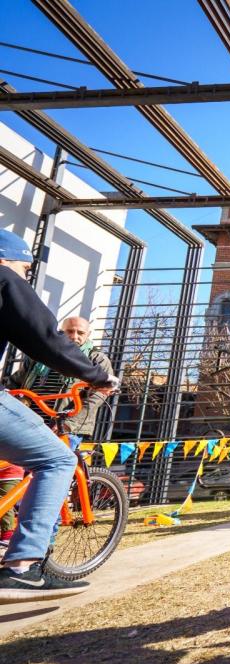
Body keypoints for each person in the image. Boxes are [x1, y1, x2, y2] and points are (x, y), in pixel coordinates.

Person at [0, 229, 118, 601]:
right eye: (24, 265)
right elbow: (45, 339)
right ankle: (23, 567)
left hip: (60, 417)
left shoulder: (95, 350)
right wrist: (101, 378)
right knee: (56, 460)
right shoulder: (5, 278)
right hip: (33, 412)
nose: (24, 273)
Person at [4, 316, 113, 440]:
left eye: (80, 333)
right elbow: (14, 383)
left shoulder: (97, 359)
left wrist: (68, 423)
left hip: (64, 428)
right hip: (27, 422)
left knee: (58, 459)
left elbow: (97, 396)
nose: (74, 336)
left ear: (88, 334)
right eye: (70, 331)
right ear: (61, 332)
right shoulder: (42, 354)